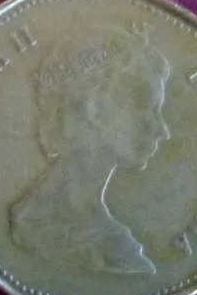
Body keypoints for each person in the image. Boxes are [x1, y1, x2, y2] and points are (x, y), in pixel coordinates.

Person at [9, 26, 171, 274]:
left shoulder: (104, 235)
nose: (162, 130)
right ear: (95, 109)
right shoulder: (49, 228)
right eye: (146, 108)